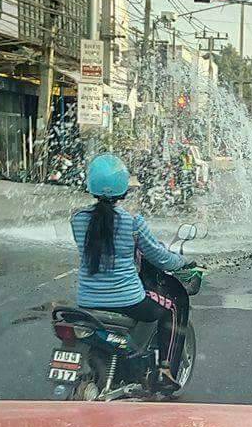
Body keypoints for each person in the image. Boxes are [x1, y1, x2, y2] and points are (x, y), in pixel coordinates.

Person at [71, 153, 188, 390]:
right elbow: (159, 257)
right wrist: (182, 262)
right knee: (173, 307)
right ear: (124, 187)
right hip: (127, 300)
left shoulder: (77, 220)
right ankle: (166, 372)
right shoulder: (132, 222)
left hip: (87, 300)